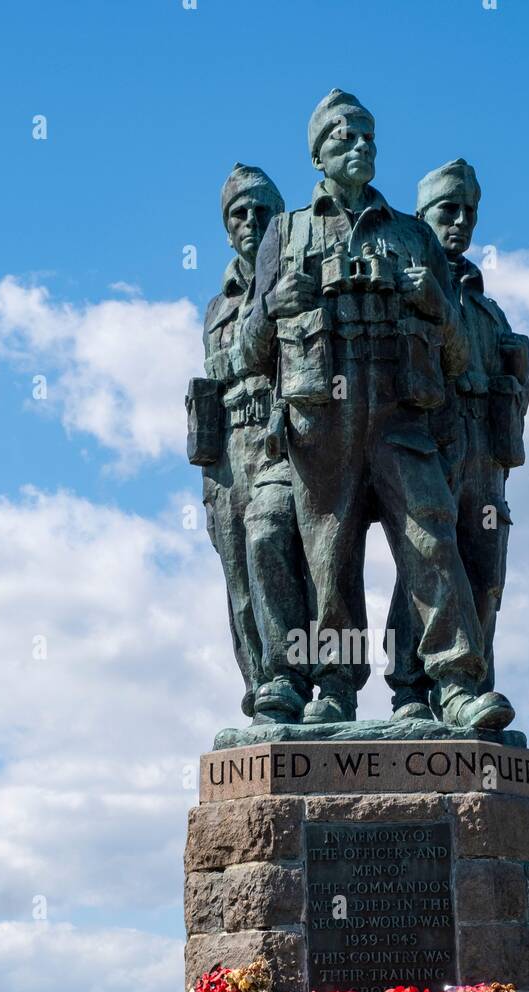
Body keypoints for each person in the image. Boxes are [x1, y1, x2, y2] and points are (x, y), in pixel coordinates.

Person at [241, 92, 515, 730]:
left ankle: (452, 683)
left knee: (431, 535)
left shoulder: (412, 234)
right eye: (343, 138)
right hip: (321, 421)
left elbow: (454, 357)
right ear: (317, 154)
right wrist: (274, 304)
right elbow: (252, 351)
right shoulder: (286, 234)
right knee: (328, 560)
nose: (359, 146)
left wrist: (437, 306)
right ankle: (333, 688)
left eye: (367, 136)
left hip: (400, 415)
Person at [386, 159, 529, 719]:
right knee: (425, 568)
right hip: (429, 442)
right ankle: (412, 689)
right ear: (422, 218)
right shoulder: (409, 292)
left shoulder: (489, 310)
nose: (461, 222)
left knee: (485, 573)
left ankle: (470, 691)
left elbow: (513, 388)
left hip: (485, 457)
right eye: (449, 210)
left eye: (469, 212)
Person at [186, 164, 312, 723]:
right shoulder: (216, 307)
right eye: (239, 213)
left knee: (280, 552)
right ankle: (264, 693)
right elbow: (219, 369)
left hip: (280, 438)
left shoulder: (298, 280)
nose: (251, 221)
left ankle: (297, 678)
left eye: (262, 211)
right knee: (239, 582)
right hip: (226, 454)